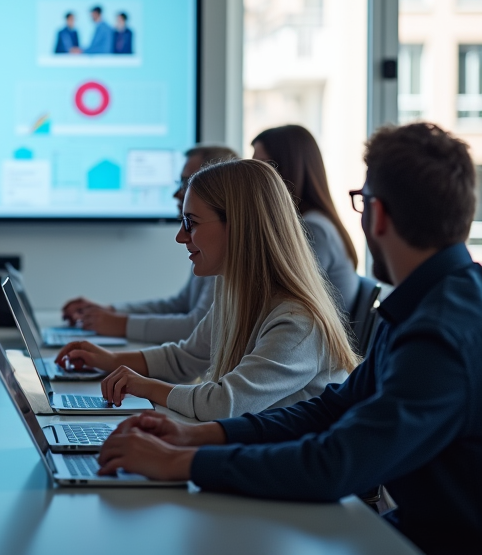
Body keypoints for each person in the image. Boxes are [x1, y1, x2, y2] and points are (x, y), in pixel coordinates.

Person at [96, 123, 482, 555]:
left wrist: (179, 462)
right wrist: (200, 437)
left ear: (377, 215)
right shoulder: (427, 305)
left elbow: (335, 463)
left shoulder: (441, 332)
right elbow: (333, 409)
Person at [57, 159, 358, 421]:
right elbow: (184, 359)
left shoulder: (297, 322)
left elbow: (224, 404)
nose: (179, 237)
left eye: (191, 222)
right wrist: (110, 361)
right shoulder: (236, 294)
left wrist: (143, 385)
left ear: (240, 226)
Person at [62, 145, 237, 342]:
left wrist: (119, 324)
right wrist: (111, 312)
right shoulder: (208, 249)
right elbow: (181, 305)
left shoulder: (225, 258)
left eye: (187, 183)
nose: (178, 194)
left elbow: (197, 329)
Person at [251, 124, 360, 312]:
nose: (253, 179)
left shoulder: (313, 229)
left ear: (289, 169)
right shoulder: (312, 223)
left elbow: (282, 307)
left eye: (263, 168)